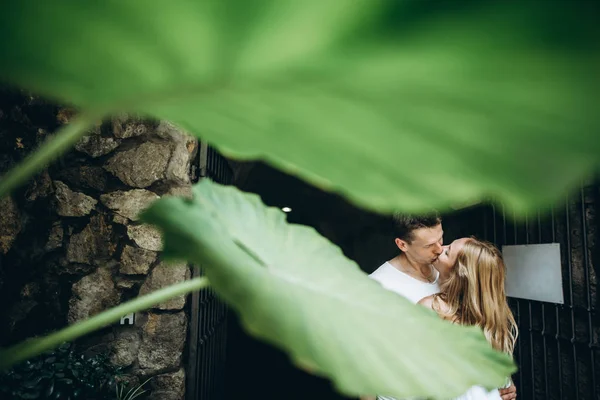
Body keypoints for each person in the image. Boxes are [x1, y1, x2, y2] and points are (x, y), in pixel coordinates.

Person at [364, 213, 516, 400]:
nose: (438, 249)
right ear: (402, 244)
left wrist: (502, 382)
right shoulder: (375, 288)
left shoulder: (456, 273)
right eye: (429, 245)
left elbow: (485, 326)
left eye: (441, 239)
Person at [418, 238, 519, 400]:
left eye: (447, 252)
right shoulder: (491, 316)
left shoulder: (431, 308)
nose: (439, 249)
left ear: (459, 274)